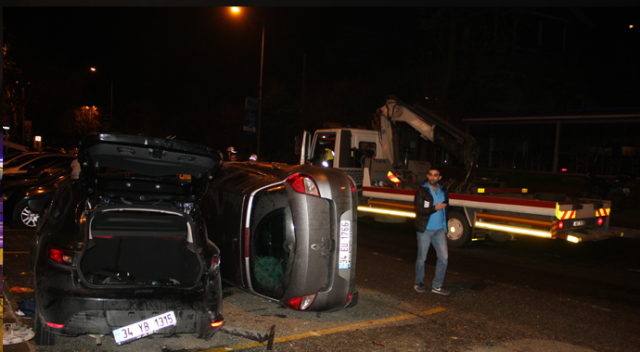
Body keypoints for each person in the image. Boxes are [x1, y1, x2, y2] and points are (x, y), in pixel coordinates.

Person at [413, 167, 450, 296]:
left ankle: (437, 285)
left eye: (436, 175)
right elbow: (419, 210)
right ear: (428, 176)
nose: (433, 177)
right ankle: (419, 282)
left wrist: (445, 227)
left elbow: (445, 211)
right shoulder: (422, 191)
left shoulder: (443, 190)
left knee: (444, 258)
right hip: (425, 229)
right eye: (431, 175)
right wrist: (435, 208)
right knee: (422, 258)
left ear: (439, 178)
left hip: (439, 230)